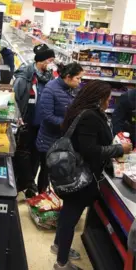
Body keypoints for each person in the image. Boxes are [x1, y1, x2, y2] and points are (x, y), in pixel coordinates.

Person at [52, 80, 132, 270]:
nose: (109, 101)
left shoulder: (80, 110)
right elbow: (90, 150)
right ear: (99, 99)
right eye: (108, 98)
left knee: (67, 215)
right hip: (81, 177)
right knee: (71, 217)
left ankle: (58, 246)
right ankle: (62, 263)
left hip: (74, 172)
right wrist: (119, 148)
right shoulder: (89, 116)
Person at [13, 43, 55, 198]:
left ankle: (30, 188)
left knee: (36, 157)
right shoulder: (25, 77)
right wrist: (17, 117)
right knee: (22, 154)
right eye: (49, 60)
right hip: (26, 123)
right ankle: (21, 184)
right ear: (41, 60)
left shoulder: (50, 78)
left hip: (43, 126)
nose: (51, 64)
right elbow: (15, 98)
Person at [35, 62, 83, 194]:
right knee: (46, 172)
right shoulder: (50, 89)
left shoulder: (74, 89)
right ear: (68, 77)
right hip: (48, 140)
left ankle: (56, 200)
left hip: (65, 140)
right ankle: (42, 197)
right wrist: (65, 124)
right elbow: (46, 115)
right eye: (78, 78)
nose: (80, 81)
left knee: (61, 173)